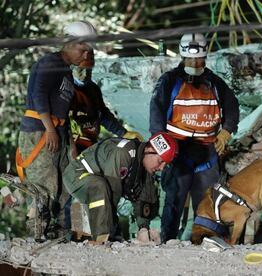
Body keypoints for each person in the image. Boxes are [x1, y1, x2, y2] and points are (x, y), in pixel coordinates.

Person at [149, 33, 239, 242]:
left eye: (199, 59)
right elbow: (156, 114)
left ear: (205, 57)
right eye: (191, 59)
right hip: (178, 152)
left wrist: (226, 131)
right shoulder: (169, 81)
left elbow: (232, 107)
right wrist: (161, 149)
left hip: (207, 152)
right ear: (182, 56)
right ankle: (168, 240)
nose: (195, 63)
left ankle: (207, 241)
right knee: (174, 200)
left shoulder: (215, 83)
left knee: (207, 201)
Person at [16, 21, 97, 240]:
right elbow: (39, 95)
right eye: (82, 50)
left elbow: (65, 111)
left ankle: (58, 232)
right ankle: (37, 232)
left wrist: (68, 141)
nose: (84, 56)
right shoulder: (49, 62)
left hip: (57, 132)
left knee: (64, 184)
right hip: (39, 132)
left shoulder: (68, 74)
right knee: (43, 185)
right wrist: (50, 129)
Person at [62, 132, 178, 243]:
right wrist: (111, 232)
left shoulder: (144, 165)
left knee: (139, 195)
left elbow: (144, 197)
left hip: (99, 184)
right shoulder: (124, 153)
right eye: (160, 161)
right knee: (100, 187)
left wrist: (143, 228)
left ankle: (105, 233)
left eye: (165, 165)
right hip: (77, 175)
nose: (162, 168)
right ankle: (99, 237)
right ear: (149, 150)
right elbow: (112, 192)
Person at [70, 50, 144, 153]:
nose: (85, 74)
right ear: (72, 67)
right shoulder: (64, 89)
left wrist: (123, 133)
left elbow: (103, 114)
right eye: (81, 69)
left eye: (89, 69)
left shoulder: (93, 89)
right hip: (69, 144)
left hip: (89, 144)